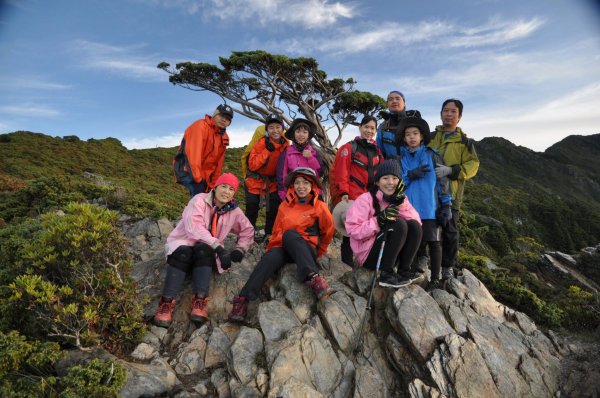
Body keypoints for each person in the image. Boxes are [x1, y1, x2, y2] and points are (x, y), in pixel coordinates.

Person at [228, 167, 335, 321]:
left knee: (290, 235)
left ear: (312, 185)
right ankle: (242, 300)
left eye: (306, 182)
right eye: (297, 183)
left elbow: (328, 231)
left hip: (306, 249)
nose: (301, 186)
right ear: (292, 185)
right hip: (285, 248)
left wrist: (319, 252)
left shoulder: (319, 206)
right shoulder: (285, 206)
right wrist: (271, 251)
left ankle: (314, 279)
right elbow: (277, 230)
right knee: (269, 258)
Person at [154, 173, 254, 327]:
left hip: (205, 252)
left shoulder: (234, 210)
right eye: (223, 186)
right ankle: (165, 305)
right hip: (184, 242)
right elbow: (194, 228)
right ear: (215, 187)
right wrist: (219, 248)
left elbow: (247, 230)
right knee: (184, 252)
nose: (226, 191)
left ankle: (199, 303)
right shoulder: (199, 200)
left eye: (231, 189)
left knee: (204, 249)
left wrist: (240, 249)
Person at [345, 160, 423, 287]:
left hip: (389, 251)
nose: (390, 182)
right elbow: (353, 230)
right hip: (368, 255)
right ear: (377, 182)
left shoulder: (400, 199)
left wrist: (400, 204)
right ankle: (386, 274)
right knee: (398, 224)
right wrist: (378, 221)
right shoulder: (365, 199)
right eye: (385, 178)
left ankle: (404, 271)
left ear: (400, 182)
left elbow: (417, 222)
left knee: (414, 226)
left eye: (394, 178)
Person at [397, 115, 452, 289]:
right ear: (404, 138)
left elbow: (443, 182)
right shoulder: (400, 159)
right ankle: (408, 274)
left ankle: (435, 280)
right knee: (410, 242)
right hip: (408, 210)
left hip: (430, 207)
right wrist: (410, 175)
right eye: (408, 134)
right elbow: (395, 183)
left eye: (415, 133)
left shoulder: (432, 155)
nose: (412, 137)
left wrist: (446, 204)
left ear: (422, 136)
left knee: (434, 242)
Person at [429, 99, 480, 280]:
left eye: (453, 111)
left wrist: (452, 170)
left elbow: (473, 164)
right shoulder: (431, 136)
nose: (448, 114)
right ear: (441, 113)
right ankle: (424, 263)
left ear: (459, 117)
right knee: (427, 229)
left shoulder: (464, 142)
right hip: (428, 193)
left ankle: (447, 267)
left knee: (450, 232)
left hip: (451, 194)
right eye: (445, 111)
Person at [331, 115, 384, 267]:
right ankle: (346, 264)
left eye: (372, 128)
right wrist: (343, 192)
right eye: (366, 127)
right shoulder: (349, 148)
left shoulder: (378, 152)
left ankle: (364, 262)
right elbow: (341, 172)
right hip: (352, 196)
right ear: (360, 128)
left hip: (370, 199)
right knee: (349, 232)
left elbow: (380, 175)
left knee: (369, 231)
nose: (369, 130)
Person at [173, 104, 234, 197]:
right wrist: (198, 179)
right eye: (221, 116)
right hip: (188, 170)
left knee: (208, 200)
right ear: (214, 115)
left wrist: (213, 185)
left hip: (204, 177)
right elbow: (192, 154)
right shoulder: (200, 126)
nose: (224, 120)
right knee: (199, 198)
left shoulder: (224, 137)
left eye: (228, 119)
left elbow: (218, 164)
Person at [245, 114, 289, 240]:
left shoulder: (286, 144)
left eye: (278, 127)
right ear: (267, 130)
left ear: (282, 128)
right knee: (251, 209)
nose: (275, 131)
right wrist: (267, 151)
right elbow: (252, 165)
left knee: (273, 210)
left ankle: (269, 235)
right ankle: (247, 236)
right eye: (271, 128)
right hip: (255, 181)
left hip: (273, 183)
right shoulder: (261, 143)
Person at [276, 118, 324, 201]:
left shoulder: (314, 152)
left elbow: (319, 173)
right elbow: (281, 175)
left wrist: (311, 158)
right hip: (293, 194)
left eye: (305, 132)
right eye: (298, 132)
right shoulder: (286, 152)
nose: (301, 135)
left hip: (313, 194)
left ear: (308, 135)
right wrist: (283, 195)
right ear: (294, 134)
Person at [376, 91, 421, 159]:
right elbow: (379, 152)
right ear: (387, 105)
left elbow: (424, 148)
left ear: (404, 103)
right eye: (390, 99)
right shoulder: (383, 127)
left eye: (397, 98)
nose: (394, 101)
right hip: (390, 168)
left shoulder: (415, 122)